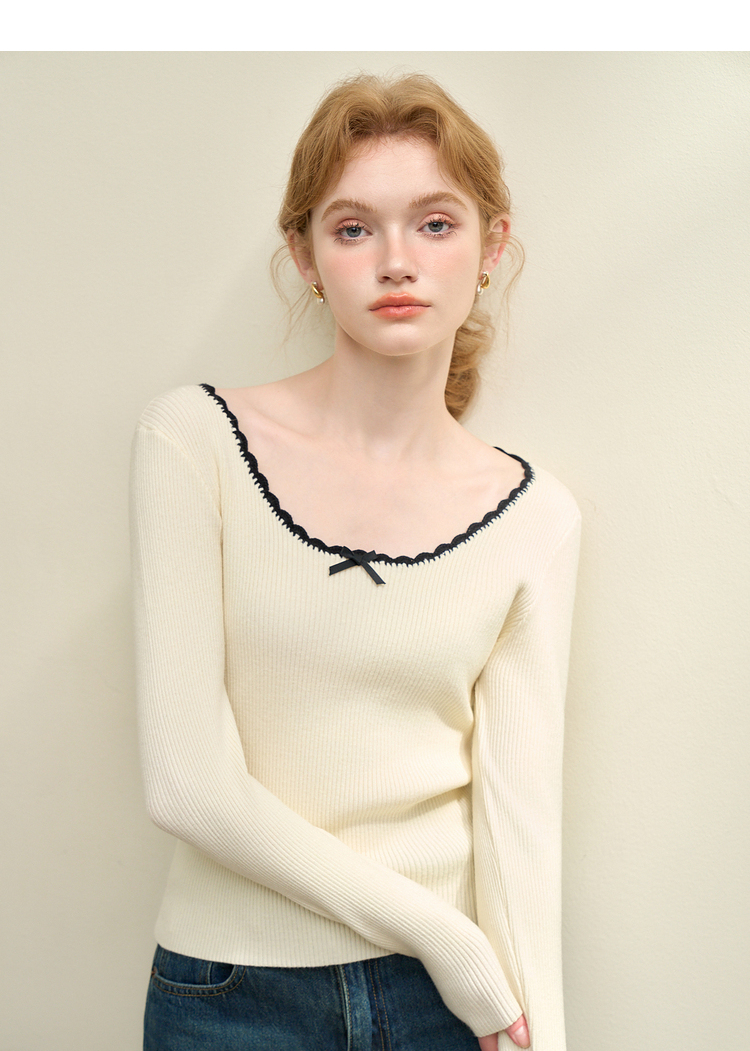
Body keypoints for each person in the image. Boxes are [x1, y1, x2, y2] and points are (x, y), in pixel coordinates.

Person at [131, 73, 580, 1051]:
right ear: (304, 254)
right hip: (233, 998)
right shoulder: (193, 442)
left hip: (445, 1006)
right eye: (352, 229)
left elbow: (518, 826)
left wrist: (532, 1026)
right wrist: (445, 937)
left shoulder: (535, 515)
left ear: (491, 247)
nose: (395, 261)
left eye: (435, 223)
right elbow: (186, 782)